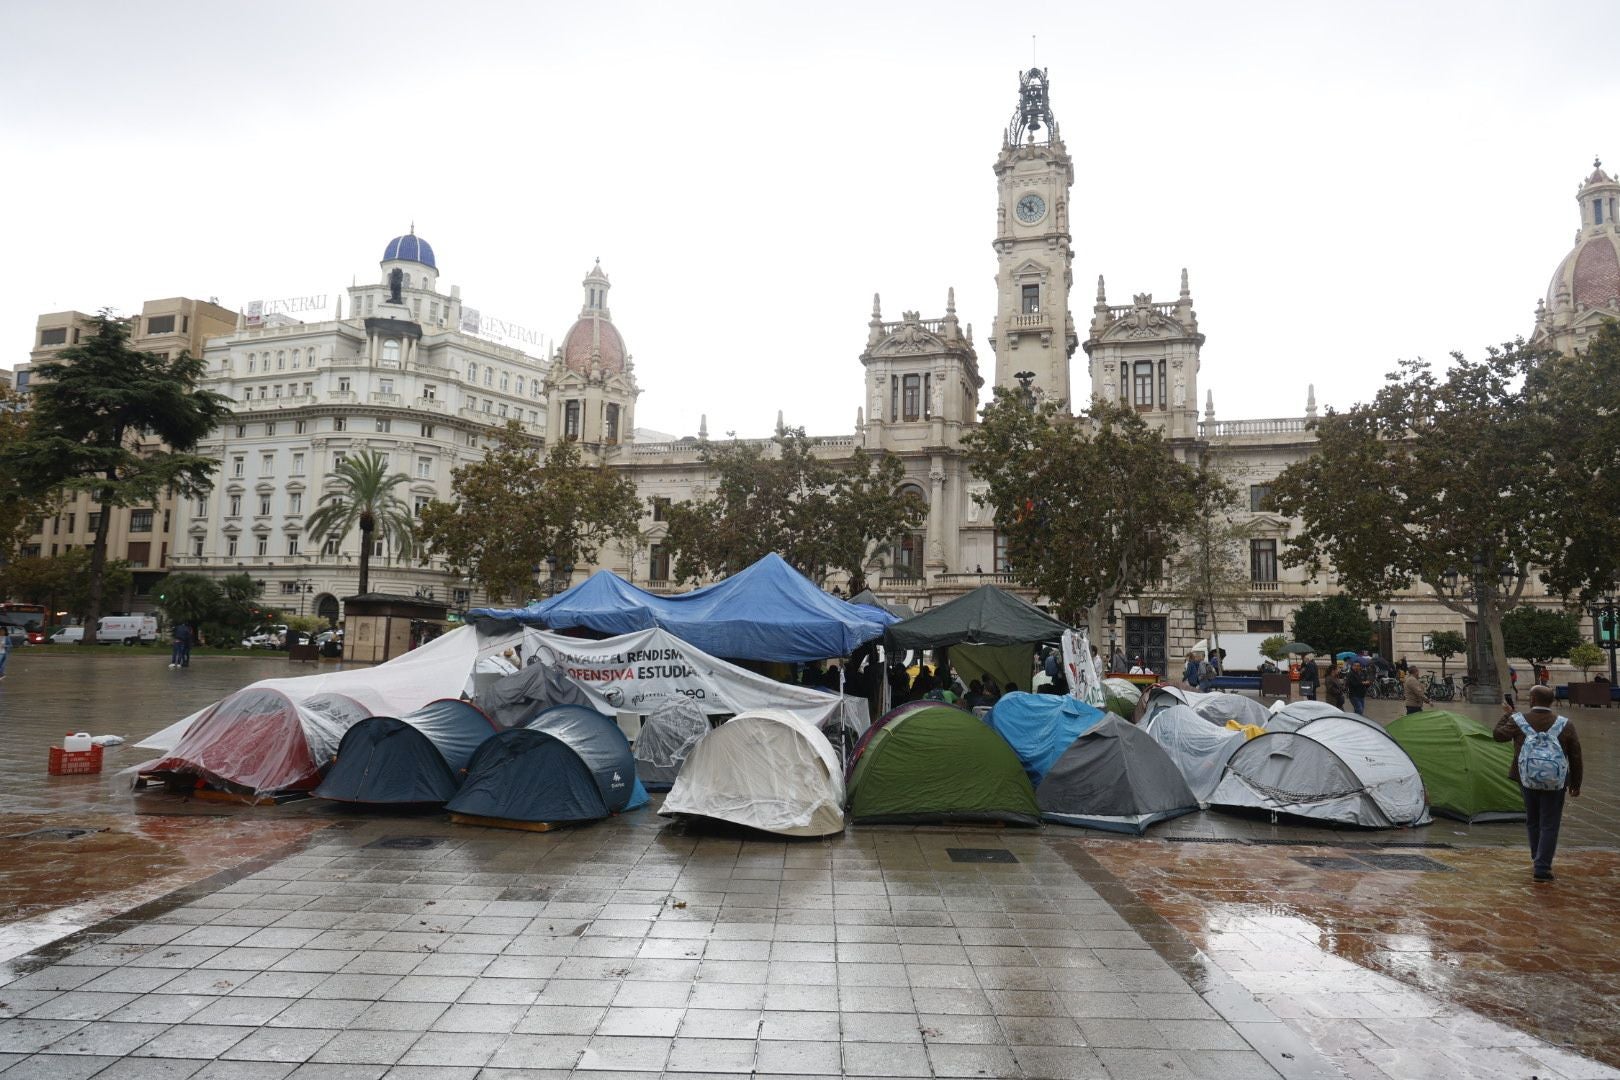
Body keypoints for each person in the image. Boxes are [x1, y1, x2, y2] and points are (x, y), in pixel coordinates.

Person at [1494, 685, 1583, 882]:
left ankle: (1537, 857)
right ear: (1551, 702)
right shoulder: (1564, 724)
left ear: (1532, 700)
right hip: (1555, 781)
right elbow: (1576, 755)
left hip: (1526, 779)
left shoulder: (1518, 721)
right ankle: (1542, 866)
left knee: (1533, 820)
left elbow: (1498, 735)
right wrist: (1575, 783)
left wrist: (1507, 715)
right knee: (1550, 823)